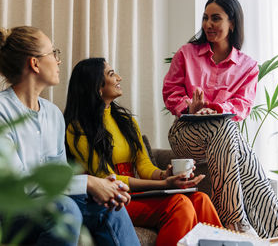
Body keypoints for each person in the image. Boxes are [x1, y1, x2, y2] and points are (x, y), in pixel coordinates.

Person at [0, 25, 140, 246]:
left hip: (37, 207)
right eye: (53, 53)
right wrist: (87, 183)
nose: (58, 61)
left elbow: (57, 175)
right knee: (63, 210)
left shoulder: (53, 114)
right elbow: (16, 185)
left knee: (110, 209)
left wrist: (101, 188)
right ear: (34, 63)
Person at [162, 0, 278, 238]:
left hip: (224, 138)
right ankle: (235, 222)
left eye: (216, 18)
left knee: (228, 133)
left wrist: (216, 110)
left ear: (232, 23)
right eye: (205, 18)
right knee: (229, 132)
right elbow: (171, 92)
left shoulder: (248, 66)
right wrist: (190, 107)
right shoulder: (186, 53)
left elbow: (243, 105)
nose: (208, 24)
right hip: (186, 135)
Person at [64, 58, 223, 246]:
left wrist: (165, 174)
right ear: (97, 86)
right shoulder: (78, 129)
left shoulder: (126, 122)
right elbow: (106, 178)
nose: (119, 78)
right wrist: (163, 183)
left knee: (201, 199)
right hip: (111, 199)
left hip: (136, 194)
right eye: (111, 74)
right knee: (179, 204)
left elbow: (144, 165)